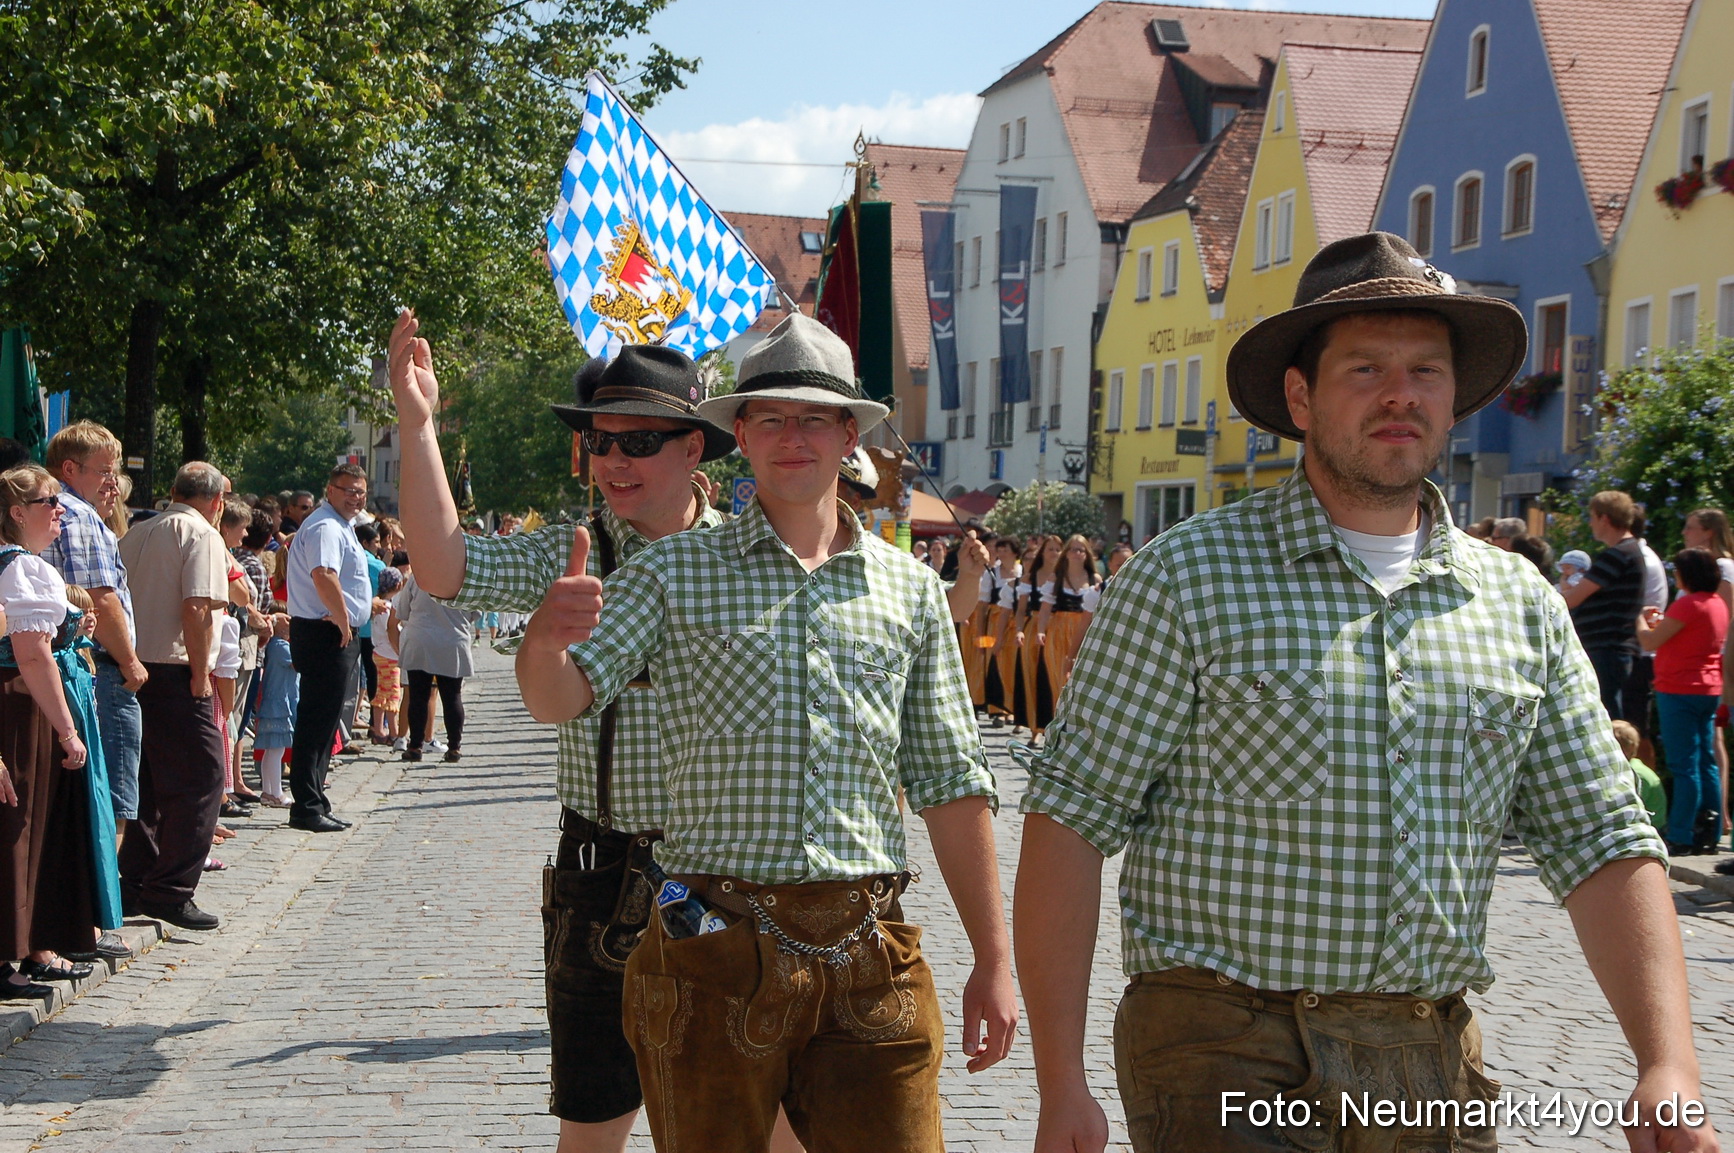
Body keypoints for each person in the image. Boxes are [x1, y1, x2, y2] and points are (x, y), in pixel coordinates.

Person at [1014, 232, 1715, 1153]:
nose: (1402, 393)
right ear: (1299, 396)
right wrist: (1061, 1079)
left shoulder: (1516, 603)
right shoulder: (1186, 579)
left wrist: (1669, 1062)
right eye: (1366, 368)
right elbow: (1071, 818)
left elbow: (1601, 838)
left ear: (1454, 397)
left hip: (1432, 1059)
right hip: (1227, 1048)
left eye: (1427, 369)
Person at [514, 312, 1017, 1153]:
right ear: (738, 433)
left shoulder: (911, 591)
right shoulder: (671, 571)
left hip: (869, 951)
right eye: (772, 417)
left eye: (815, 416)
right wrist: (542, 641)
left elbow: (953, 783)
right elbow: (560, 697)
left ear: (849, 434)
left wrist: (994, 959)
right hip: (711, 947)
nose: (794, 436)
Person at [387, 310, 768, 1153]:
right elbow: (445, 566)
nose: (612, 462)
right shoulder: (575, 548)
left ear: (693, 448)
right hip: (606, 877)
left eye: (637, 442)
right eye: (601, 444)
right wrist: (417, 427)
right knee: (594, 1126)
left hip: (724, 879)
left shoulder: (752, 559)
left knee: (756, 1119)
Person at [115, 462, 232, 931]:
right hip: (176, 669)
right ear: (217, 502)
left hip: (133, 666)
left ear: (172, 491)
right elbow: (197, 605)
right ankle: (170, 889)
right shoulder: (202, 534)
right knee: (203, 779)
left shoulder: (138, 532)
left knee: (144, 780)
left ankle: (138, 879)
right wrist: (202, 673)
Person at [0, 465, 101, 994]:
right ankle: (7, 957)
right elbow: (33, 655)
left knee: (30, 824)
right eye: (49, 502)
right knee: (17, 824)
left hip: (24, 700)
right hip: (19, 704)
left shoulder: (26, 567)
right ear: (18, 513)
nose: (60, 511)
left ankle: (31, 944)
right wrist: (67, 731)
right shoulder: (20, 568)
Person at [41, 424, 145, 904]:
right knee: (111, 796)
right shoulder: (80, 518)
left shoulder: (59, 514)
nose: (113, 481)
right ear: (69, 469)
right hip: (97, 667)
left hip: (69, 663)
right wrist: (130, 662)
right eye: (103, 470)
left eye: (115, 470)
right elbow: (101, 601)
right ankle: (101, 911)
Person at [282, 463, 372, 833]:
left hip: (329, 629)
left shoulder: (338, 525)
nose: (355, 498)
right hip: (325, 631)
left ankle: (316, 799)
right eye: (348, 490)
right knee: (316, 721)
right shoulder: (324, 526)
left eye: (361, 492)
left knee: (324, 722)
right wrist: (341, 617)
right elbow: (324, 574)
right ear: (330, 490)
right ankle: (306, 805)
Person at [1637, 548, 1728, 856]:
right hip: (1708, 689)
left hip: (1678, 688)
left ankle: (1681, 833)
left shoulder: (1687, 604)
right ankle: (1710, 830)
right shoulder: (1716, 603)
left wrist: (1640, 618)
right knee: (1706, 762)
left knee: (1683, 765)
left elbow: (1650, 641)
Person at [1560, 490, 1646, 721]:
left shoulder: (1617, 555)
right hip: (1615, 648)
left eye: (1592, 517)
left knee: (1606, 716)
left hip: (1606, 648)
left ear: (1604, 518)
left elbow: (1571, 599)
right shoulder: (1631, 551)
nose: (1590, 524)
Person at [394, 567, 475, 763]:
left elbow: (403, 610)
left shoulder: (418, 576)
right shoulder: (466, 578)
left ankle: (415, 746)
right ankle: (454, 747)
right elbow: (475, 612)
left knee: (418, 695)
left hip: (421, 637)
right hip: (452, 639)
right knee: (452, 695)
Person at [1034, 535, 1102, 701]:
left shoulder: (1095, 579)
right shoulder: (1056, 578)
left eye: (1081, 549)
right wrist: (1040, 630)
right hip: (1059, 632)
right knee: (1058, 676)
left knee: (1082, 679)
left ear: (1087, 554)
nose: (1077, 553)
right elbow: (1045, 609)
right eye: (1073, 549)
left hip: (1085, 631)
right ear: (1066, 553)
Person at [1016, 534, 1063, 735]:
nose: (1054, 553)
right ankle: (1034, 727)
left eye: (1057, 549)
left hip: (1059, 628)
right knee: (1031, 673)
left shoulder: (1064, 577)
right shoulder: (1030, 578)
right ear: (1042, 552)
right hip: (1033, 626)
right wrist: (1019, 630)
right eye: (1050, 548)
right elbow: (1020, 610)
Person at [251, 605, 297, 808]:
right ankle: (274, 791)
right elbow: (298, 662)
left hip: (277, 699)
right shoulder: (280, 646)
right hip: (277, 701)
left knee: (273, 750)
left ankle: (270, 791)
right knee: (276, 749)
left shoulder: (277, 645)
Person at [1612, 719, 1667, 832]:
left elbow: (1632, 805)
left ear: (1628, 749)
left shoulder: (1636, 774)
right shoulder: (1632, 766)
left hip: (1652, 826)